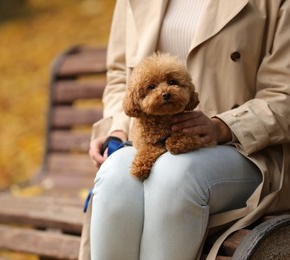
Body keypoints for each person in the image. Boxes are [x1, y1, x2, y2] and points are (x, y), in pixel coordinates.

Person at [79, 0, 290, 260]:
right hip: (150, 138)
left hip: (247, 149)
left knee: (175, 175)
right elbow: (120, 75)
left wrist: (224, 125)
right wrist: (117, 129)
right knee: (115, 174)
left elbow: (284, 93)